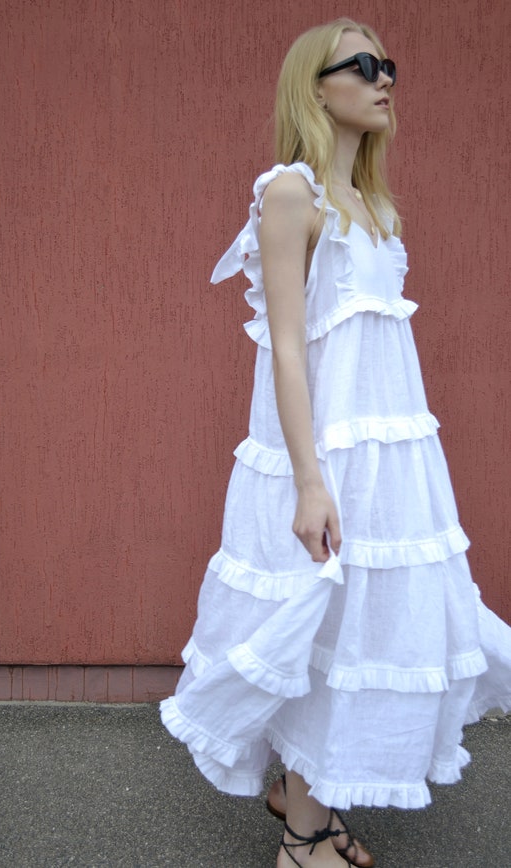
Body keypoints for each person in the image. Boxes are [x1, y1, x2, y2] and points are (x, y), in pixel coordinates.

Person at [160, 18, 511, 868]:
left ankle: (302, 794)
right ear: (316, 86)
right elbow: (286, 345)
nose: (383, 77)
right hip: (322, 462)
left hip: (389, 464)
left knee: (356, 632)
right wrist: (311, 484)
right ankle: (303, 837)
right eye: (362, 65)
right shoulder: (291, 193)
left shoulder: (374, 207)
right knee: (322, 628)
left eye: (387, 64)